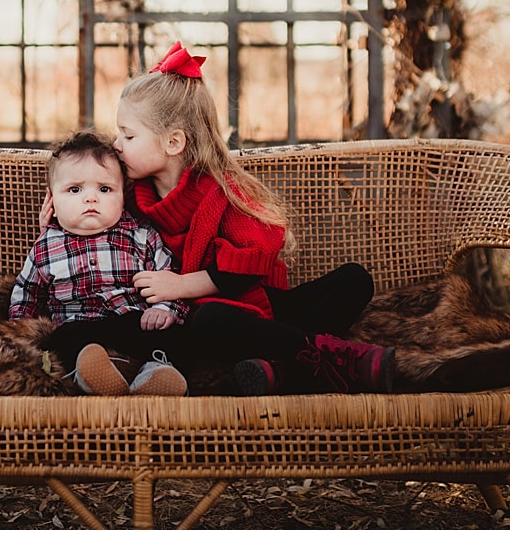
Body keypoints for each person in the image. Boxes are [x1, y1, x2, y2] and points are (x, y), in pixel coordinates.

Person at [111, 41, 396, 394]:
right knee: (210, 320)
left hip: (255, 306)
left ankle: (287, 366)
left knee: (354, 279)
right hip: (193, 323)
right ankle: (330, 361)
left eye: (128, 135)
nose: (117, 144)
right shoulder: (127, 194)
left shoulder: (220, 191)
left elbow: (246, 265)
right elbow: (88, 198)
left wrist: (180, 284)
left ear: (174, 143)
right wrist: (62, 210)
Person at [10, 130, 191, 396]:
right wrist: (20, 333)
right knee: (63, 339)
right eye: (75, 189)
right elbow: (26, 294)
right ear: (53, 202)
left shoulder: (141, 236)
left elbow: (171, 277)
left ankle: (156, 372)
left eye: (104, 189)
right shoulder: (46, 246)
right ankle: (88, 375)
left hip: (131, 324)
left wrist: (166, 309)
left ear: (123, 196)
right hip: (79, 327)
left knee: (173, 335)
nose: (91, 198)